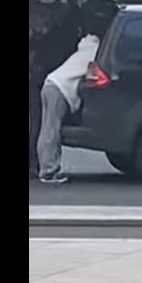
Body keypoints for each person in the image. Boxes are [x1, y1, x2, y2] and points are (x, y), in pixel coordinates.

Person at [37, 33, 100, 184]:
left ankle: (47, 168)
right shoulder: (95, 53)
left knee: (47, 127)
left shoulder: (84, 49)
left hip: (51, 84)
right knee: (52, 130)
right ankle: (48, 171)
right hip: (60, 89)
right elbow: (96, 76)